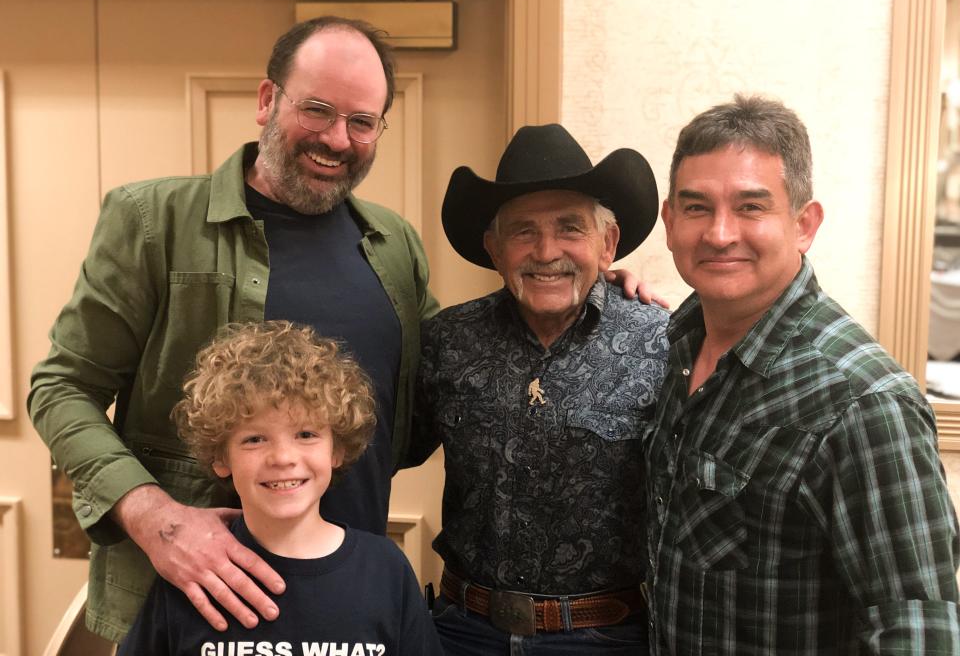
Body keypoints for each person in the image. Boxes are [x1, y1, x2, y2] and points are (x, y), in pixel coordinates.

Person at [28, 16, 440, 641]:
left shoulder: (393, 244)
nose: (338, 138)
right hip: (185, 605)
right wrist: (154, 517)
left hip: (349, 612)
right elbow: (60, 389)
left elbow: (454, 370)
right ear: (268, 100)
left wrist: (596, 292)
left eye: (362, 122)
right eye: (318, 109)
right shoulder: (154, 222)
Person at [646, 94, 960, 655]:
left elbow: (918, 629)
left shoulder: (861, 400)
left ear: (804, 224)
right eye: (696, 208)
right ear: (669, 222)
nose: (719, 234)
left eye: (750, 207)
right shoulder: (676, 345)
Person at [405, 124, 670, 654]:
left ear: (607, 244)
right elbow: (378, 453)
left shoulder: (664, 344)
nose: (546, 251)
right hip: (459, 631)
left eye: (570, 228)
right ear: (494, 248)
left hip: (606, 639)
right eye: (523, 231)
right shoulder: (445, 340)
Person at [116, 320, 444, 655]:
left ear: (337, 449)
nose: (283, 457)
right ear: (220, 456)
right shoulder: (193, 572)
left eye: (306, 434)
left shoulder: (386, 571)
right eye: (255, 439)